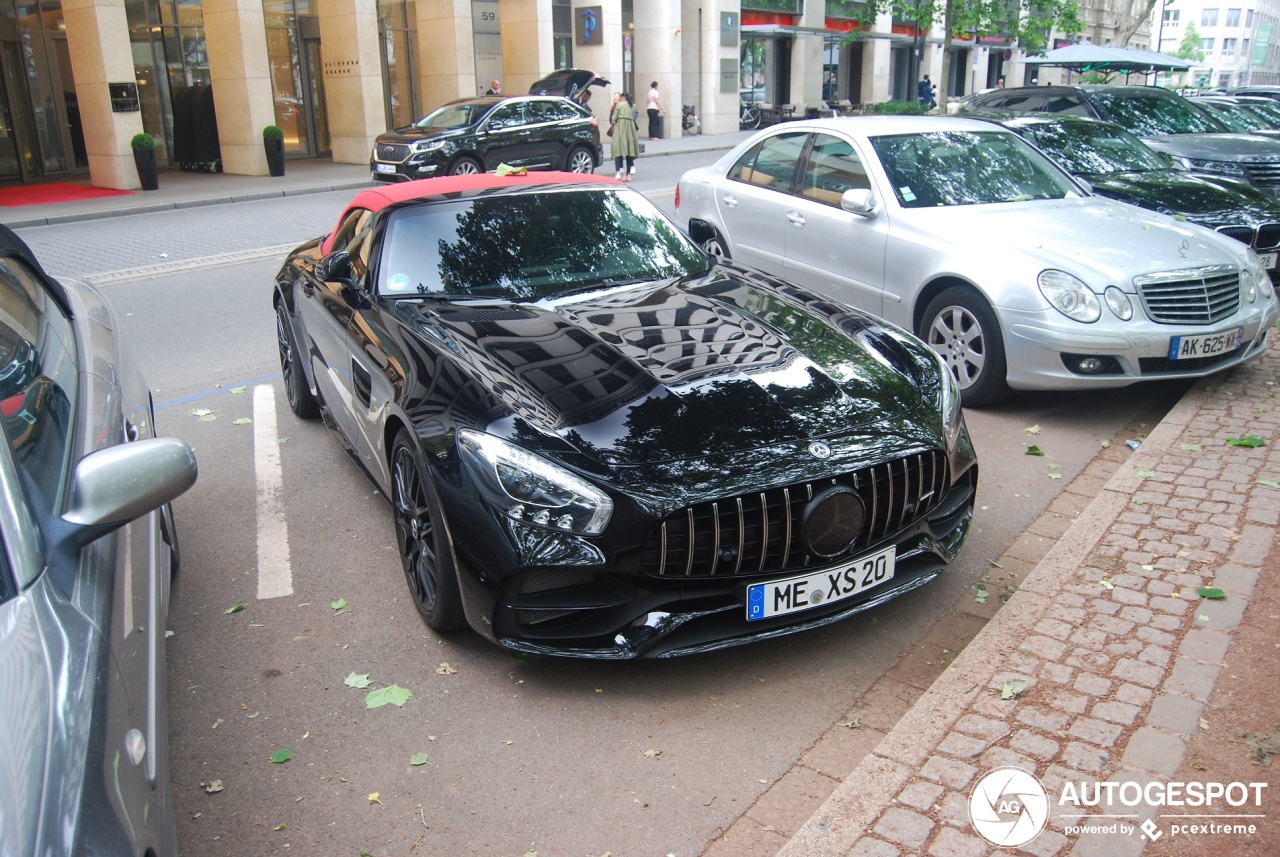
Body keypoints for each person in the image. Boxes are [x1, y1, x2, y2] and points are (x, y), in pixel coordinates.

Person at [610, 92, 640, 181]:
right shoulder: (633, 106)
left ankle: (618, 173)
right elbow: (634, 116)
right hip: (630, 129)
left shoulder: (619, 104)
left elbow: (613, 118)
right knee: (629, 152)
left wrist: (615, 120)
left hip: (620, 128)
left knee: (618, 150)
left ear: (624, 97)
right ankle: (628, 175)